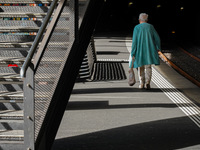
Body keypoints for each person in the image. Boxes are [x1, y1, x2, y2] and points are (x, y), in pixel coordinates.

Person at [129, 13, 161, 89]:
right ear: (147, 20)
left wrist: (133, 52)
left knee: (140, 67)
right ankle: (147, 82)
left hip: (139, 51)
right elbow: (157, 38)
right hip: (149, 50)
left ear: (139, 20)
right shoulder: (151, 27)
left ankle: (142, 83)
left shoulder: (136, 28)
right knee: (148, 67)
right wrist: (158, 48)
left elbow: (134, 41)